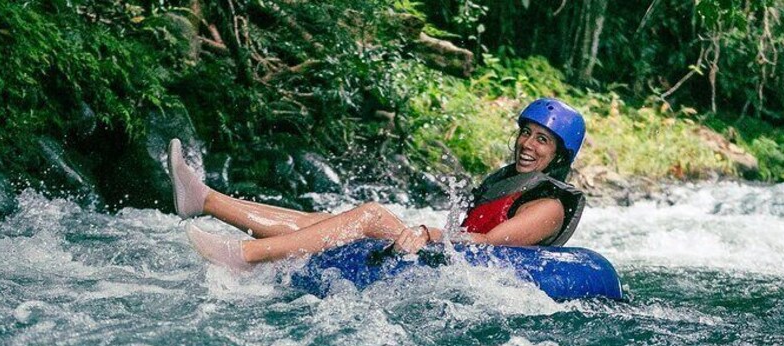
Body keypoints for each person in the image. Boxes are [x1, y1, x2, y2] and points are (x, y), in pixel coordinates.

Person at [171, 97, 586, 269]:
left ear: (559, 154)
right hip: (453, 258)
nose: (527, 144)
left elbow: (494, 243)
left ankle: (242, 256)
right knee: (329, 220)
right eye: (526, 132)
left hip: (471, 267)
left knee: (369, 215)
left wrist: (427, 233)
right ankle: (205, 199)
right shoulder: (510, 180)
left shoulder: (548, 204)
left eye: (542, 139)